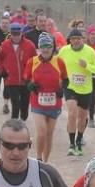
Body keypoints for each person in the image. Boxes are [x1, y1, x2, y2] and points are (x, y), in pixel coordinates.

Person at [24, 33, 68, 163]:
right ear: (39, 47)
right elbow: (26, 80)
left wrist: (62, 90)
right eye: (42, 46)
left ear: (52, 47)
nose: (45, 49)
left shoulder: (59, 62)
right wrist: (30, 86)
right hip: (38, 103)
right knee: (42, 133)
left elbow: (66, 80)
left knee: (49, 135)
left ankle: (45, 161)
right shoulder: (32, 62)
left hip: (54, 104)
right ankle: (38, 158)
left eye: (48, 46)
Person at [58, 28, 95, 156]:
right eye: (73, 39)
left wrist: (87, 66)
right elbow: (57, 64)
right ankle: (71, 144)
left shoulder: (90, 51)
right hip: (70, 86)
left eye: (78, 38)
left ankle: (79, 140)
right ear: (70, 40)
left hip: (85, 89)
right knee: (72, 113)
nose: (76, 41)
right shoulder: (64, 51)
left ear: (82, 39)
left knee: (82, 117)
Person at [0, 22, 37, 121]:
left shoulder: (29, 45)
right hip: (11, 80)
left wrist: (33, 76)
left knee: (24, 104)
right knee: (15, 103)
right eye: (13, 34)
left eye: (18, 34)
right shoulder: (5, 45)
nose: (16, 37)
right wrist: (2, 70)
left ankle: (23, 120)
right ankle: (15, 125)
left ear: (21, 33)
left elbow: (35, 61)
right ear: (10, 33)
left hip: (26, 80)